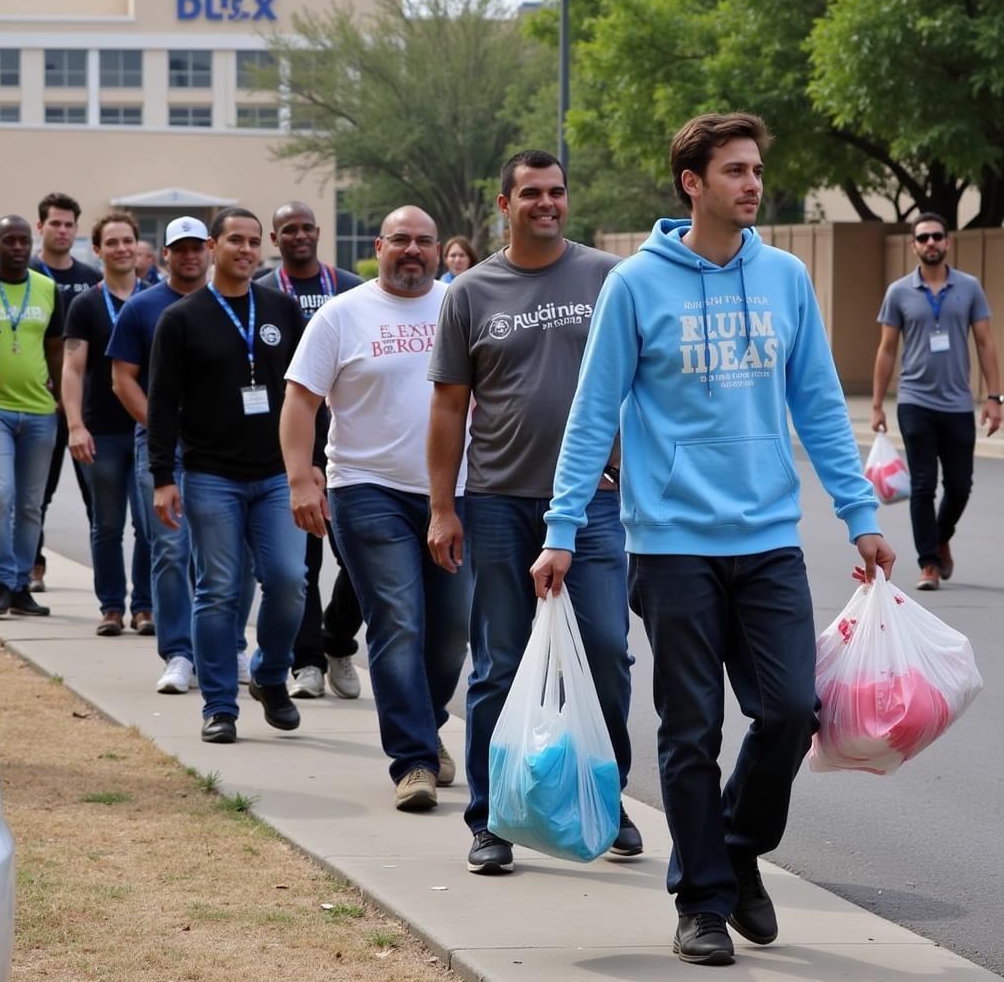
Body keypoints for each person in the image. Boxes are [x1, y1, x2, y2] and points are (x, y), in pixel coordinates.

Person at [530, 113, 896, 967]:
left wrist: (863, 515)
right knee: (689, 727)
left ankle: (735, 847)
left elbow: (817, 407)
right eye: (734, 170)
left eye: (757, 169)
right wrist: (561, 530)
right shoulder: (635, 285)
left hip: (767, 536)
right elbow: (592, 416)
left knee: (790, 711)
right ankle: (699, 900)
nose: (753, 183)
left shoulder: (785, 277)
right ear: (692, 182)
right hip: (669, 543)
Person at [427, 149, 641, 873]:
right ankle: (492, 820)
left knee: (608, 651)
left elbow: (643, 385)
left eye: (556, 192)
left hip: (593, 506)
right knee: (498, 664)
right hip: (496, 504)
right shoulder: (470, 293)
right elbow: (449, 408)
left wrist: (626, 459)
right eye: (531, 194)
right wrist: (442, 508)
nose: (546, 204)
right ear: (503, 204)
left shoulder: (607, 278)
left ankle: (604, 803)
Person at [283, 205, 468, 810]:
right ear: (379, 247)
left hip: (456, 493)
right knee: (399, 621)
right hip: (368, 489)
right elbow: (300, 401)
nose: (412, 251)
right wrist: (300, 479)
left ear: (438, 249)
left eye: (423, 241)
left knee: (452, 632)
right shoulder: (343, 315)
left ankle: (427, 722)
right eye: (400, 241)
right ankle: (412, 760)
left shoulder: (459, 304)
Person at [147, 207, 307, 743]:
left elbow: (309, 394)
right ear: (213, 246)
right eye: (234, 239)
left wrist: (314, 467)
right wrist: (162, 476)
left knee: (289, 581)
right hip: (210, 475)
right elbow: (162, 402)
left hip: (278, 473)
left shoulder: (282, 309)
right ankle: (219, 706)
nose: (245, 249)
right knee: (217, 589)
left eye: (253, 241)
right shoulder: (182, 318)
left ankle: (267, 673)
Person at [109, 216, 255, 694]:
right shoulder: (144, 308)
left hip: (225, 448)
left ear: (209, 249)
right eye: (180, 248)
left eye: (197, 248)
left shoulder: (237, 304)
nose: (190, 256)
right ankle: (179, 652)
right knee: (171, 549)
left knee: (235, 554)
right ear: (167, 253)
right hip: (165, 446)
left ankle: (231, 646)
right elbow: (122, 377)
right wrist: (162, 425)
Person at [259, 200, 364, 701]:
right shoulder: (262, 292)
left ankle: (337, 639)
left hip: (350, 444)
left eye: (306, 228)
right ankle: (307, 662)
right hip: (296, 447)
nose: (298, 236)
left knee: (360, 557)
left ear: (318, 232)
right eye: (288, 230)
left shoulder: (348, 288)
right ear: (275, 237)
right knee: (302, 561)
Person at [872, 213, 1001, 591]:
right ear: (914, 245)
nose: (930, 243)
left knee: (960, 486)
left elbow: (986, 343)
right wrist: (878, 404)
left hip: (959, 403)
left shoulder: (969, 287)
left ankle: (941, 536)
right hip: (915, 401)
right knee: (924, 485)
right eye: (923, 238)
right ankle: (928, 562)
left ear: (947, 242)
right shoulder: (898, 292)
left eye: (937, 237)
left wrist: (995, 398)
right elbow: (886, 350)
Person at [62, 212, 153, 636]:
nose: (121, 248)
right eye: (111, 242)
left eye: (127, 241)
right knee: (108, 524)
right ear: (97, 250)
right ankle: (112, 607)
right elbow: (73, 369)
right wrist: (76, 425)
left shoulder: (156, 298)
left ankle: (145, 607)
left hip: (147, 429)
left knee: (150, 523)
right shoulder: (85, 305)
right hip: (100, 432)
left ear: (138, 246)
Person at [0, 216, 63, 617]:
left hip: (40, 412)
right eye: (9, 241)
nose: (18, 247)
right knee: (0, 495)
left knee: (31, 505)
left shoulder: (47, 287)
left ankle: (19, 585)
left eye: (24, 241)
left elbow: (55, 347)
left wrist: (62, 395)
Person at [30, 191, 100, 592]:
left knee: (98, 499)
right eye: (54, 223)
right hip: (39, 405)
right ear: (40, 227)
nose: (61, 230)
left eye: (68, 224)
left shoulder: (91, 280)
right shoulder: (28, 274)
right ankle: (33, 563)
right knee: (38, 492)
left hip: (85, 408)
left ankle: (103, 578)